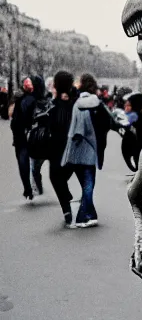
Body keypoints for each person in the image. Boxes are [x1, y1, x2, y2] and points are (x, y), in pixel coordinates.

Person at [61, 74, 111, 228]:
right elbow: (108, 122)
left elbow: (74, 127)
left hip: (77, 148)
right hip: (91, 148)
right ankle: (87, 215)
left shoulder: (78, 103)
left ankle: (86, 215)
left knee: (85, 184)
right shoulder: (97, 103)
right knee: (89, 184)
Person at [49, 71, 76, 227]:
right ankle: (66, 203)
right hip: (68, 146)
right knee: (59, 176)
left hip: (59, 146)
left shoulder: (57, 103)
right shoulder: (72, 101)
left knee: (55, 176)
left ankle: (66, 205)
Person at [10, 78, 37, 200]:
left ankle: (28, 188)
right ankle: (31, 185)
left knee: (23, 162)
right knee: (30, 162)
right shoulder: (32, 98)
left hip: (21, 134)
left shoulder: (20, 98)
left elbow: (10, 114)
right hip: (27, 133)